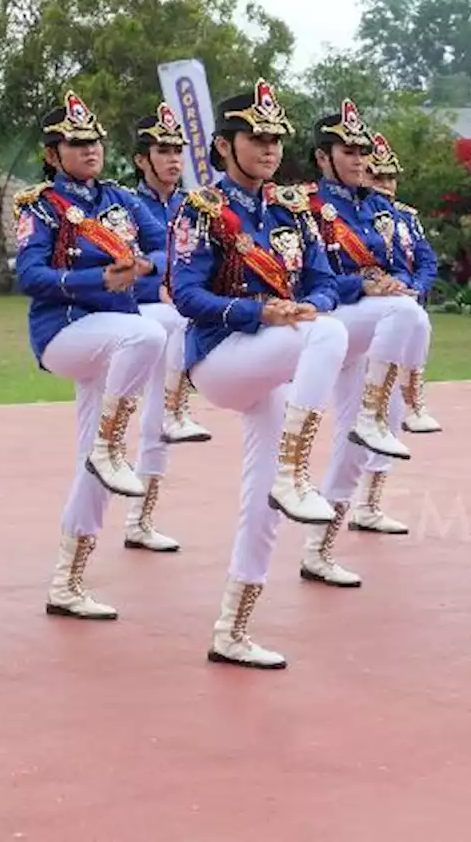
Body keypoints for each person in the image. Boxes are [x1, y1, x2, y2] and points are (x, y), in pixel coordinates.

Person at [170, 80, 350, 669]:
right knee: (331, 334)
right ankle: (298, 473)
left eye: (276, 138)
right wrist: (258, 310)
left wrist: (306, 304)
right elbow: (184, 293)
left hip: (272, 355)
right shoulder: (199, 209)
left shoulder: (293, 211)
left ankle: (233, 629)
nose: (269, 147)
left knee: (260, 501)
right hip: (220, 355)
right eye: (256, 137)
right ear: (225, 145)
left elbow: (324, 279)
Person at [14, 90, 169, 619]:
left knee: (95, 470)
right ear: (54, 154)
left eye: (95, 140)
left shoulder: (123, 201)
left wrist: (145, 266)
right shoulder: (40, 205)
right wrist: (96, 277)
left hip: (112, 334)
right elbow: (30, 275)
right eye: (76, 143)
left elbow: (169, 244)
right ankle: (112, 443)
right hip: (65, 331)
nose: (90, 149)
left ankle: (67, 583)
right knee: (150, 336)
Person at [297, 99, 432, 587]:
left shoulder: (382, 209)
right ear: (322, 157)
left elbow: (407, 262)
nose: (358, 159)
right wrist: (365, 287)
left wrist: (399, 282)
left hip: (372, 328)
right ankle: (400, 405)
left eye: (361, 150)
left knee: (353, 441)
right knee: (405, 314)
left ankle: (319, 547)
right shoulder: (305, 208)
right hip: (330, 323)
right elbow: (303, 276)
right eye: (346, 151)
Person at [120, 103, 210, 555]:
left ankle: (142, 520)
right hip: (142, 313)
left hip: (179, 316)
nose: (174, 158)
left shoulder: (194, 205)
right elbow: (133, 265)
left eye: (178, 149)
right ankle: (177, 408)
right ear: (141, 159)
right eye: (163, 150)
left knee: (155, 422)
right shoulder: (124, 203)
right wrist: (163, 272)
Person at [346, 131, 442, 536]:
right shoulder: (355, 214)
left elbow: (425, 261)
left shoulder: (406, 217)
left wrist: (413, 287)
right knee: (355, 417)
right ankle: (338, 506)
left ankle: (370, 504)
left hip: (400, 317)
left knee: (393, 418)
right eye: (377, 176)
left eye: (390, 177)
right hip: (363, 315)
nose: (385, 184)